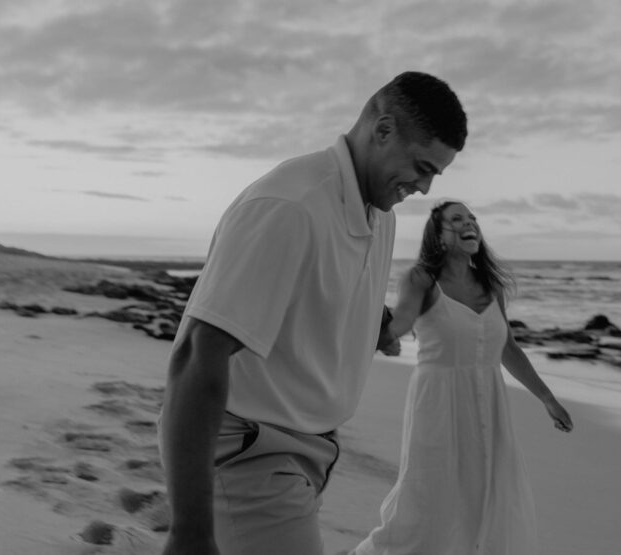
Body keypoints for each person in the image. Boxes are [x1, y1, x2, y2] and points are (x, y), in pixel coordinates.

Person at [159, 72, 468, 555]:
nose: (425, 187)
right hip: (252, 455)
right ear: (382, 129)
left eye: (435, 175)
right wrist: (188, 531)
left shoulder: (378, 213)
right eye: (421, 166)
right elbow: (197, 356)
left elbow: (318, 295)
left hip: (310, 453)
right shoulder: (291, 206)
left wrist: (376, 323)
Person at [352, 200, 573, 555]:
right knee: (429, 497)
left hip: (490, 403)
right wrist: (373, 326)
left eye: (472, 218)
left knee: (488, 494)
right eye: (457, 219)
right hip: (437, 402)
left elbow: (509, 349)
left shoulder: (490, 286)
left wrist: (547, 398)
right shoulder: (421, 279)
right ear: (438, 235)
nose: (469, 223)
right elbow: (399, 327)